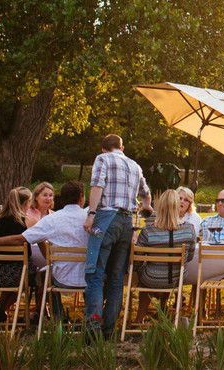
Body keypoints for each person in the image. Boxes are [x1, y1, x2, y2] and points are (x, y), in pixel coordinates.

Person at [0, 181, 88, 323]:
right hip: (88, 277)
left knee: (43, 274)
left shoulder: (51, 219)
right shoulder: (91, 218)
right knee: (39, 275)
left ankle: (57, 317)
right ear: (82, 197)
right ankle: (85, 316)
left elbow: (19, 240)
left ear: (61, 199)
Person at [83, 133, 151, 338]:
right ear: (122, 148)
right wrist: (144, 208)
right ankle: (109, 330)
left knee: (95, 273)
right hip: (126, 222)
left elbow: (97, 185)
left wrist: (91, 214)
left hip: (106, 217)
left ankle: (92, 329)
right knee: (115, 277)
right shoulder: (135, 166)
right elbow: (146, 196)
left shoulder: (102, 159)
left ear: (104, 148)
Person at [134, 190, 197, 319]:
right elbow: (189, 257)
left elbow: (137, 260)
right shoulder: (189, 229)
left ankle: (139, 319)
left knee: (146, 272)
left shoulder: (148, 231)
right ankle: (165, 309)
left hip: (151, 278)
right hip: (177, 279)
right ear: (177, 206)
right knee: (170, 269)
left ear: (160, 207)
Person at [0, 187, 37, 322]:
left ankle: (1, 308)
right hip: (20, 274)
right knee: (31, 280)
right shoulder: (29, 221)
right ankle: (4, 307)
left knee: (14, 277)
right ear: (26, 203)